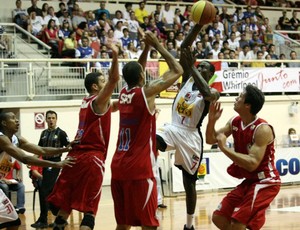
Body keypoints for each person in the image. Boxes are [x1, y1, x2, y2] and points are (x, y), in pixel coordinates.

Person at [110, 30, 183, 230]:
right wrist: (157, 44)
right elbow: (177, 70)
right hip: (139, 169)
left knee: (123, 224)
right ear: (142, 76)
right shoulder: (147, 93)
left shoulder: (124, 92)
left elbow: (136, 70)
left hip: (118, 166)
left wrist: (146, 48)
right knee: (149, 224)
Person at [47, 43, 120, 230]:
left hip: (74, 157)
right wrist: (115, 56)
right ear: (95, 86)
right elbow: (114, 80)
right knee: (89, 210)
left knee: (65, 207)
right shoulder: (98, 100)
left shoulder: (87, 102)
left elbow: (119, 104)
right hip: (91, 158)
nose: (106, 84)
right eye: (102, 82)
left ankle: (58, 222)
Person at [156, 22, 220, 230]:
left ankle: (190, 225)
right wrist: (199, 25)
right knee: (151, 139)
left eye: (204, 68)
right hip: (173, 129)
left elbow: (209, 95)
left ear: (210, 74)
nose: (200, 67)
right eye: (199, 65)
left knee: (188, 183)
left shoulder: (212, 91)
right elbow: (185, 47)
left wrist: (192, 66)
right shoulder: (186, 81)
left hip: (192, 138)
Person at [205, 85, 281, 230]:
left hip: (266, 181)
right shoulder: (235, 121)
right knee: (218, 217)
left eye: (240, 97)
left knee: (238, 224)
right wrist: (212, 121)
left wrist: (224, 148)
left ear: (247, 105)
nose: (236, 98)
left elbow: (252, 163)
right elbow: (210, 140)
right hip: (250, 180)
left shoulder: (262, 129)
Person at [0, 110, 74, 229]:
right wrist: (57, 164)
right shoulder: (2, 139)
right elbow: (25, 158)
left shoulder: (16, 138)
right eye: (13, 118)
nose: (17, 120)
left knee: (14, 223)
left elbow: (41, 150)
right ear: (4, 123)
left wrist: (64, 150)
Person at [31, 110, 70, 229]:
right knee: (48, 192)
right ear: (46, 120)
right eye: (49, 118)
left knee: (44, 190)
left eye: (53, 118)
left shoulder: (61, 133)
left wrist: (66, 163)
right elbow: (39, 150)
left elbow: (69, 147)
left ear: (56, 119)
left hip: (55, 164)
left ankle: (43, 220)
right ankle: (60, 217)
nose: (51, 120)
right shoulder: (43, 133)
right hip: (45, 164)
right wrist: (31, 159)